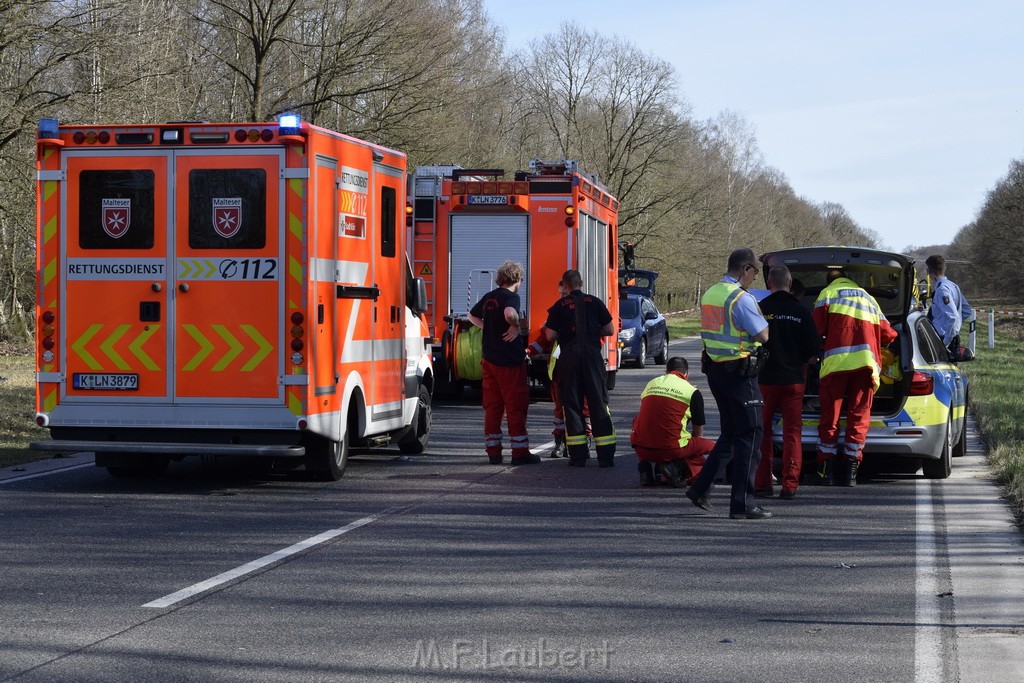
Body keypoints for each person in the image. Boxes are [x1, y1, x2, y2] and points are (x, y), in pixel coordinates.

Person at [685, 248, 772, 520]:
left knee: (731, 434)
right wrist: (757, 310)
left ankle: (700, 488)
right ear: (746, 269)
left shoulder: (711, 293)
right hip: (739, 372)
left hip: (716, 370)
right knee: (751, 433)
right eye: (755, 272)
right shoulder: (741, 299)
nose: (754, 278)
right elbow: (763, 335)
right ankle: (743, 503)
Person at [812, 267, 897, 486]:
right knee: (859, 417)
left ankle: (826, 471)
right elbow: (889, 334)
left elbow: (815, 330)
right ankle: (851, 472)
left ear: (829, 281)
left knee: (830, 418)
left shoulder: (827, 294)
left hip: (836, 366)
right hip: (866, 367)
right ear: (848, 279)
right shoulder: (869, 298)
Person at [753, 265, 820, 500]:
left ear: (768, 284)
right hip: (793, 381)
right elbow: (814, 351)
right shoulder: (801, 311)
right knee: (793, 433)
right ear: (790, 284)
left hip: (765, 381)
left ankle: (762, 484)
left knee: (762, 432)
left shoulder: (760, 309)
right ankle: (790, 485)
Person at [544, 269, 616, 467]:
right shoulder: (595, 302)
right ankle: (606, 456)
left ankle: (577, 456)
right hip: (592, 356)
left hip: (569, 358)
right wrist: (593, 331)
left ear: (565, 286)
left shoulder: (559, 306)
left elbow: (550, 335)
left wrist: (566, 333)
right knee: (598, 404)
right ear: (581, 283)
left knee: (572, 406)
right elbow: (610, 329)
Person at [467, 260, 537, 466]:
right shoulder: (511, 297)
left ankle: (494, 452)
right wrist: (515, 324)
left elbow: (471, 316)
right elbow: (509, 313)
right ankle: (520, 453)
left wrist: (488, 326)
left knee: (493, 408)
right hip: (509, 361)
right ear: (517, 279)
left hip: (489, 360)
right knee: (515, 406)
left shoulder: (489, 297)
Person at [631, 357, 715, 488]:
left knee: (642, 422)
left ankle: (646, 469)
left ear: (666, 371)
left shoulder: (652, 383)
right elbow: (698, 434)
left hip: (641, 448)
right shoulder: (691, 391)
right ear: (687, 374)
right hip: (671, 450)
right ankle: (678, 470)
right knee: (712, 446)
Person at [925, 255, 973, 359]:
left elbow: (954, 317)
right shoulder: (954, 286)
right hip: (951, 338)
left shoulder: (942, 290)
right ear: (944, 268)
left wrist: (945, 342)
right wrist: (953, 330)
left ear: (928, 270)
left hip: (941, 340)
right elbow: (966, 311)